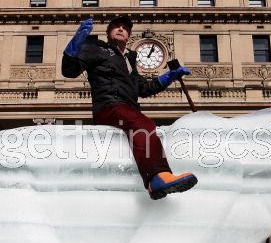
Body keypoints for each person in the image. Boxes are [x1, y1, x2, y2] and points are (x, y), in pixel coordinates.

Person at [61, 17, 197, 200]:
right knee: (143, 124)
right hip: (108, 106)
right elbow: (69, 71)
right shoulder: (97, 49)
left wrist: (170, 77)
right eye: (116, 27)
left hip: (127, 109)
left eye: (125, 28)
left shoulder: (128, 60)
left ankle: (157, 179)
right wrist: (74, 45)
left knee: (142, 123)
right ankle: (157, 177)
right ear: (108, 33)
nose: (120, 29)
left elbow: (143, 88)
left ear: (129, 35)